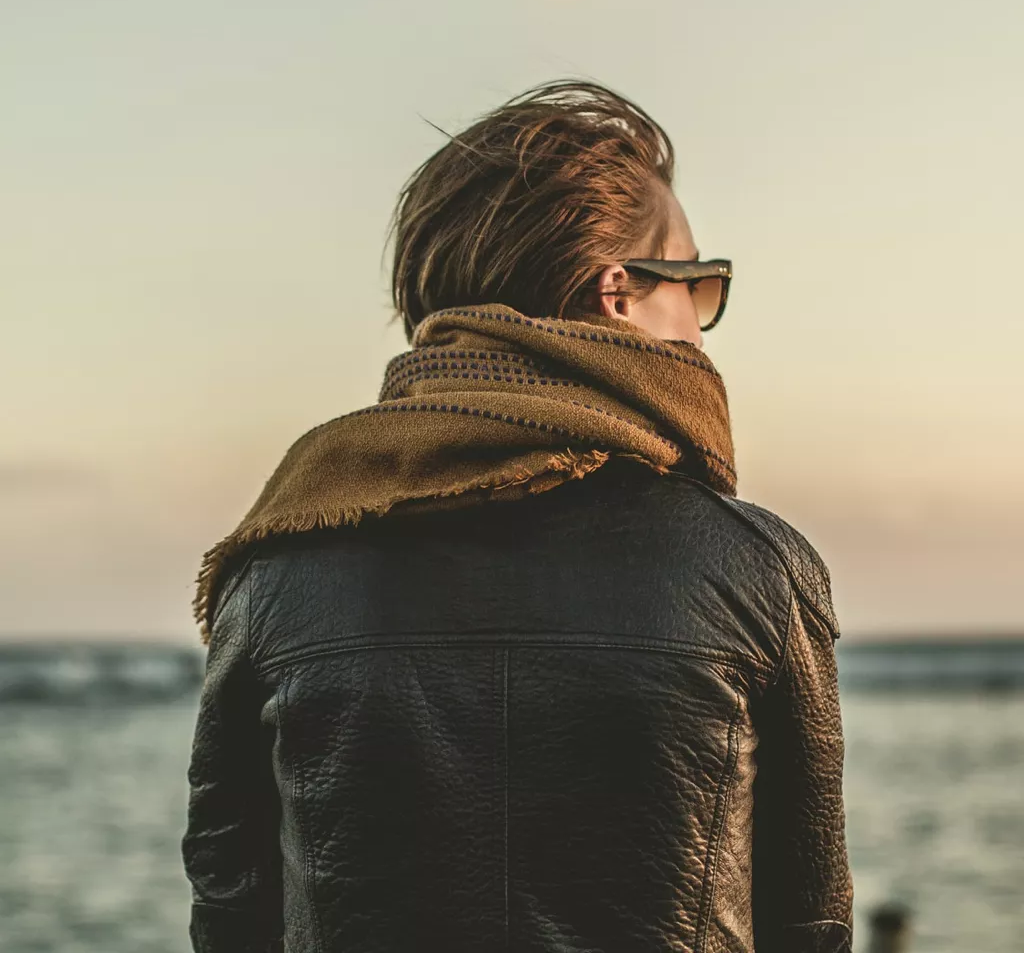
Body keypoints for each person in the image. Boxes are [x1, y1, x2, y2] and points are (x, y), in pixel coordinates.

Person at [181, 79, 854, 953]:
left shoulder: (272, 572)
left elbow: (230, 904)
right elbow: (811, 924)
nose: (701, 327)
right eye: (700, 285)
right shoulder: (758, 570)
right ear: (622, 292)